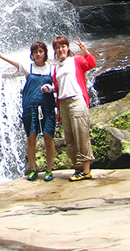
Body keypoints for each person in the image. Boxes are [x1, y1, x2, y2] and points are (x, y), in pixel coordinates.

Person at [0, 40, 56, 181]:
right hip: (30, 107)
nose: (38, 54)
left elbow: (57, 87)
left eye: (41, 51)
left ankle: (49, 170)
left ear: (45, 53)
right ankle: (33, 169)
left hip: (47, 107)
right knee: (31, 138)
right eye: (35, 52)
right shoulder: (28, 67)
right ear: (32, 54)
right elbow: (9, 60)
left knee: (48, 138)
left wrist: (51, 89)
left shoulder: (52, 69)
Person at [51, 35, 96, 182]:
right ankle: (77, 169)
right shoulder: (56, 68)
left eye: (63, 46)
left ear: (68, 47)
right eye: (57, 48)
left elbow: (91, 64)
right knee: (69, 138)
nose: (61, 50)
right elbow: (58, 89)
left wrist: (85, 51)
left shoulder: (76, 60)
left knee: (81, 135)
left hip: (77, 100)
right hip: (63, 103)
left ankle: (86, 171)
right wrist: (58, 109)